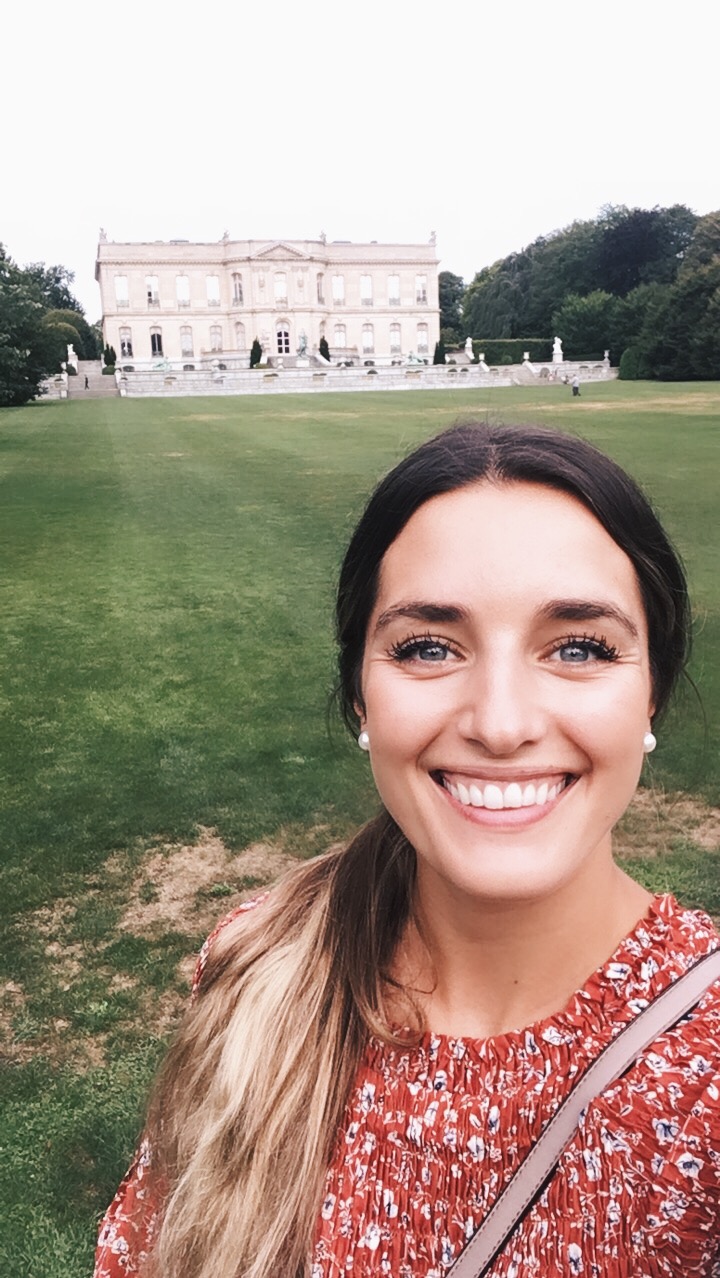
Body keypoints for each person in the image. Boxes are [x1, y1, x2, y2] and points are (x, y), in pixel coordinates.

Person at [95, 423, 720, 1278]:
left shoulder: (703, 1079)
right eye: (429, 646)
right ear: (359, 695)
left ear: (652, 691)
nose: (502, 724)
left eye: (579, 647)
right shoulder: (257, 957)